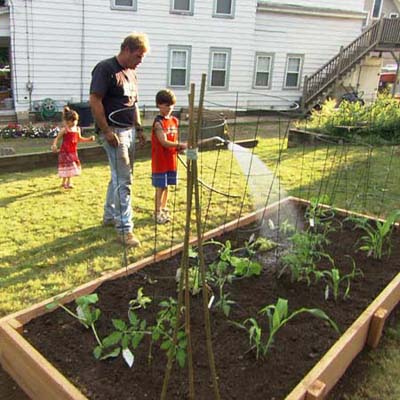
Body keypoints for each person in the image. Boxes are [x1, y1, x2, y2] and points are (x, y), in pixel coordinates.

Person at [89, 32, 149, 248]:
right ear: (127, 50)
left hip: (129, 130)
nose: (140, 61)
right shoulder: (105, 69)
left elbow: (133, 105)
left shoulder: (132, 74)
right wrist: (106, 130)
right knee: (124, 180)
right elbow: (95, 100)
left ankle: (109, 216)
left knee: (119, 176)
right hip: (113, 132)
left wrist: (140, 129)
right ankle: (125, 229)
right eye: (139, 56)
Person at [151, 89, 186, 224]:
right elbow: (164, 142)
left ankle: (163, 207)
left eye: (172, 105)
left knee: (167, 186)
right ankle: (157, 212)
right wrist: (180, 145)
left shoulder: (174, 121)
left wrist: (180, 148)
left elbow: (174, 138)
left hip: (171, 160)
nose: (170, 108)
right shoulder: (158, 123)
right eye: (167, 105)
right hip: (160, 161)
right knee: (160, 186)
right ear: (159, 105)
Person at [51, 106, 95, 189]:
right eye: (72, 121)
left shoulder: (77, 129)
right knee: (68, 166)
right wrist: (54, 145)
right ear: (67, 121)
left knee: (69, 167)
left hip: (73, 151)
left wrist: (89, 139)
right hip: (65, 152)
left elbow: (79, 139)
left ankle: (66, 182)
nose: (74, 122)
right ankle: (67, 182)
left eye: (76, 120)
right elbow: (57, 138)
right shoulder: (65, 130)